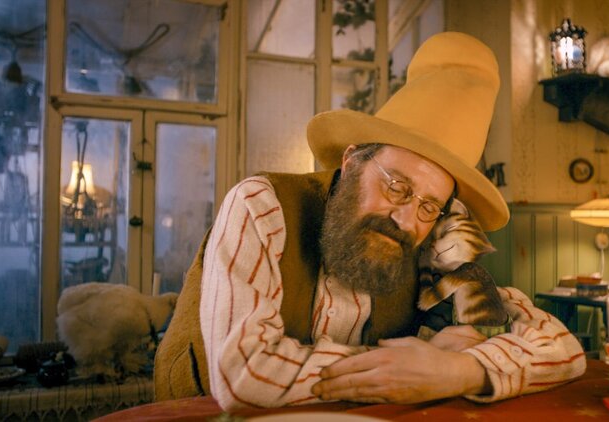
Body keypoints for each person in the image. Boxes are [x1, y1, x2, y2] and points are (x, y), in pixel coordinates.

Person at [155, 32, 585, 410]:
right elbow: (244, 374)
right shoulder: (261, 205)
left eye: (428, 206)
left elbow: (562, 348)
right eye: (396, 186)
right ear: (351, 163)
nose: (406, 219)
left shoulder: (436, 238)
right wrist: (410, 367)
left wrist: (459, 371)